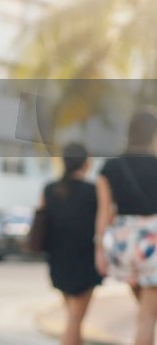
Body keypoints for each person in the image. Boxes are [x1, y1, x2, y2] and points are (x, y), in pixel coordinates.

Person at [97, 107, 157, 345]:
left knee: (146, 309)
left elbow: (103, 214)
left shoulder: (110, 167)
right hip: (152, 244)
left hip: (122, 245)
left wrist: (99, 251)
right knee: (146, 317)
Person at [38, 142, 103, 345]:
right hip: (85, 263)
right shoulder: (94, 191)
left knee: (74, 319)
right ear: (86, 163)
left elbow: (42, 223)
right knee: (75, 321)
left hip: (57, 261)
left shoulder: (49, 189)